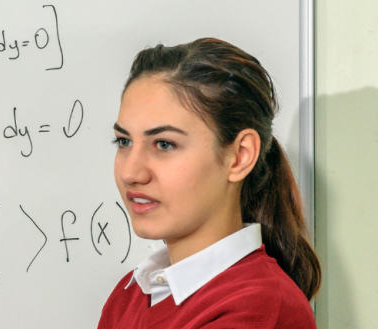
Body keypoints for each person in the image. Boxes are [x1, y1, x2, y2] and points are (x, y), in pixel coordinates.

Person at [99, 38, 320, 328]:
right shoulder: (130, 295)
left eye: (164, 144)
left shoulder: (257, 309)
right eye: (124, 141)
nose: (131, 172)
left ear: (240, 156)